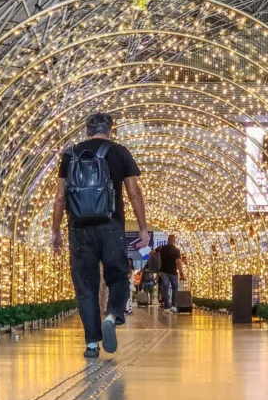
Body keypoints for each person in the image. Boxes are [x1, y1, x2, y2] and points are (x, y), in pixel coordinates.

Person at [52, 113, 149, 358]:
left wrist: (56, 231)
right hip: (111, 226)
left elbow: (60, 197)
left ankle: (92, 344)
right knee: (118, 275)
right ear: (110, 130)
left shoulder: (70, 155)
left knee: (86, 286)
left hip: (79, 229)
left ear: (86, 130)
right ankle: (111, 315)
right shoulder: (119, 153)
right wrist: (142, 227)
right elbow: (134, 193)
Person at [151, 235, 184, 314]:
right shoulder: (176, 250)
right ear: (174, 241)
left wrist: (156, 262)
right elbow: (178, 262)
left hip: (163, 272)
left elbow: (151, 253)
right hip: (173, 272)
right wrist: (181, 273)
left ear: (167, 240)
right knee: (175, 289)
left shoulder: (162, 248)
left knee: (165, 290)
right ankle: (173, 306)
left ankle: (166, 307)